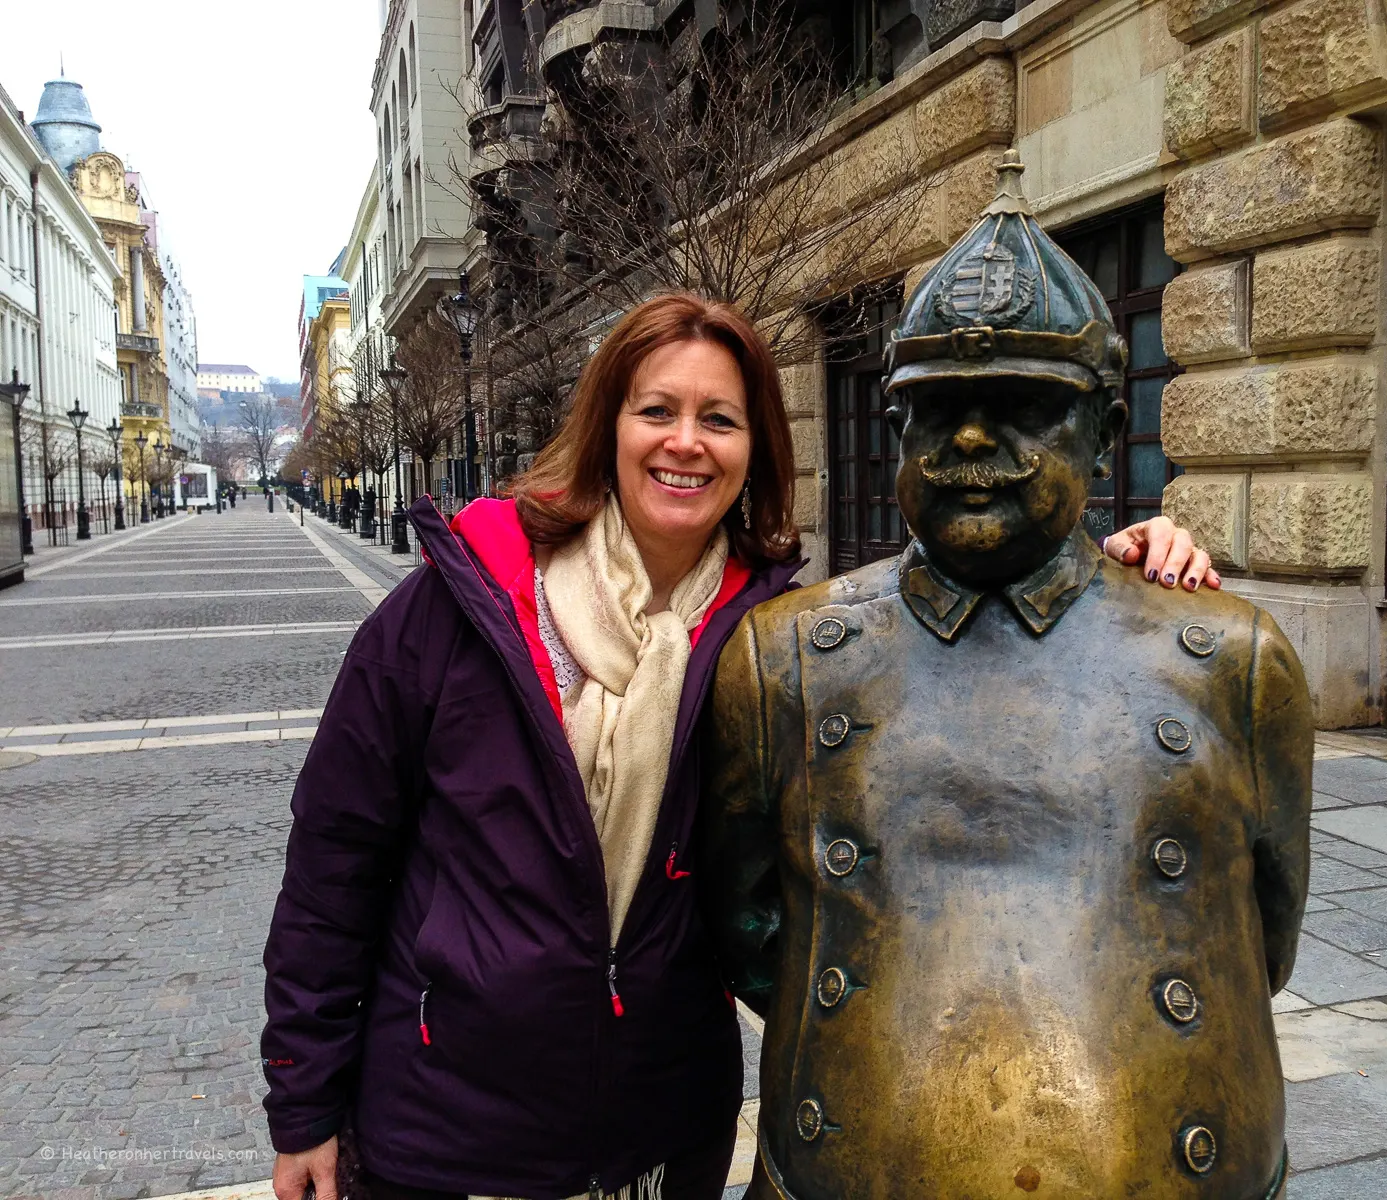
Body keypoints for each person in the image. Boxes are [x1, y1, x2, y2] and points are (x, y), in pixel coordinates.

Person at [260, 293, 1218, 1200]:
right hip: (449, 1124)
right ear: (609, 427)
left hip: (657, 1125)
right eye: (658, 411)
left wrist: (1115, 572)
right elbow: (334, 864)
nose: (686, 442)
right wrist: (303, 1103)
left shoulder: (773, 637)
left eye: (719, 419)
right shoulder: (457, 607)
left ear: (756, 450)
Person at [701, 153, 1310, 1200]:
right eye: (937, 412)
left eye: (1021, 407)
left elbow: (1255, 940)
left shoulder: (1235, 663)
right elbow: (748, 931)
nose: (972, 440)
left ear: (1108, 433)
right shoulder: (786, 661)